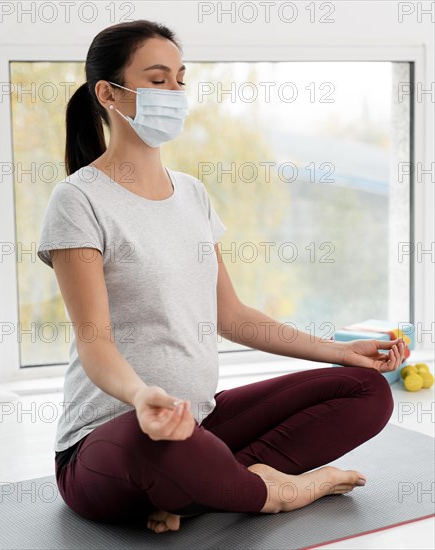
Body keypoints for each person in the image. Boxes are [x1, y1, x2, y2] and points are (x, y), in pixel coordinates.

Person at [37, 20, 405, 534]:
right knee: (161, 448)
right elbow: (95, 342)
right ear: (108, 94)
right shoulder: (78, 200)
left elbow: (231, 317)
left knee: (367, 390)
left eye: (180, 79)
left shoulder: (191, 195)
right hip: (110, 438)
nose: (176, 92)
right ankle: (280, 492)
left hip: (204, 424)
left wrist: (341, 351)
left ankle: (201, 490)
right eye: (158, 79)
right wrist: (143, 398)